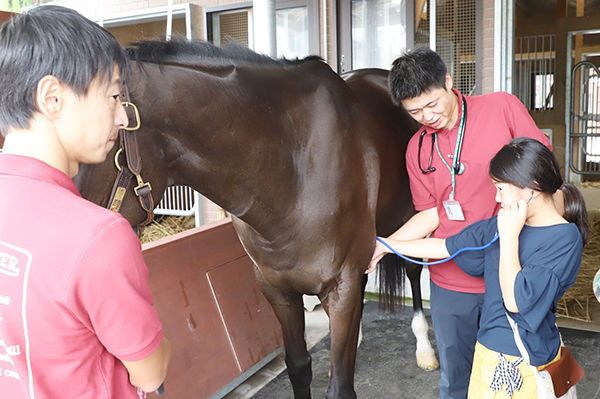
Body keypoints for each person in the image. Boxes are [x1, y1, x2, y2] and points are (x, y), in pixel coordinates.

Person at [0, 5, 171, 398]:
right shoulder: (97, 236)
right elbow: (150, 372)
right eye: (112, 96)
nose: (123, 118)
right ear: (53, 98)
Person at [366, 47, 553, 399]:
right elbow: (431, 213)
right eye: (415, 111)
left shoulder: (501, 108)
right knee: (455, 379)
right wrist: (383, 246)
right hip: (450, 278)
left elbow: (544, 175)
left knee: (515, 375)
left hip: (513, 272)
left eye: (432, 104)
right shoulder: (417, 148)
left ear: (448, 83)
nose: (427, 117)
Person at [371, 137, 588, 398]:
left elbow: (516, 301)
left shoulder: (563, 239)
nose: (497, 198)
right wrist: (385, 245)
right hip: (486, 351)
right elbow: (444, 247)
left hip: (524, 361)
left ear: (530, 188)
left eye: (500, 188)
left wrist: (509, 236)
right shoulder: (499, 225)